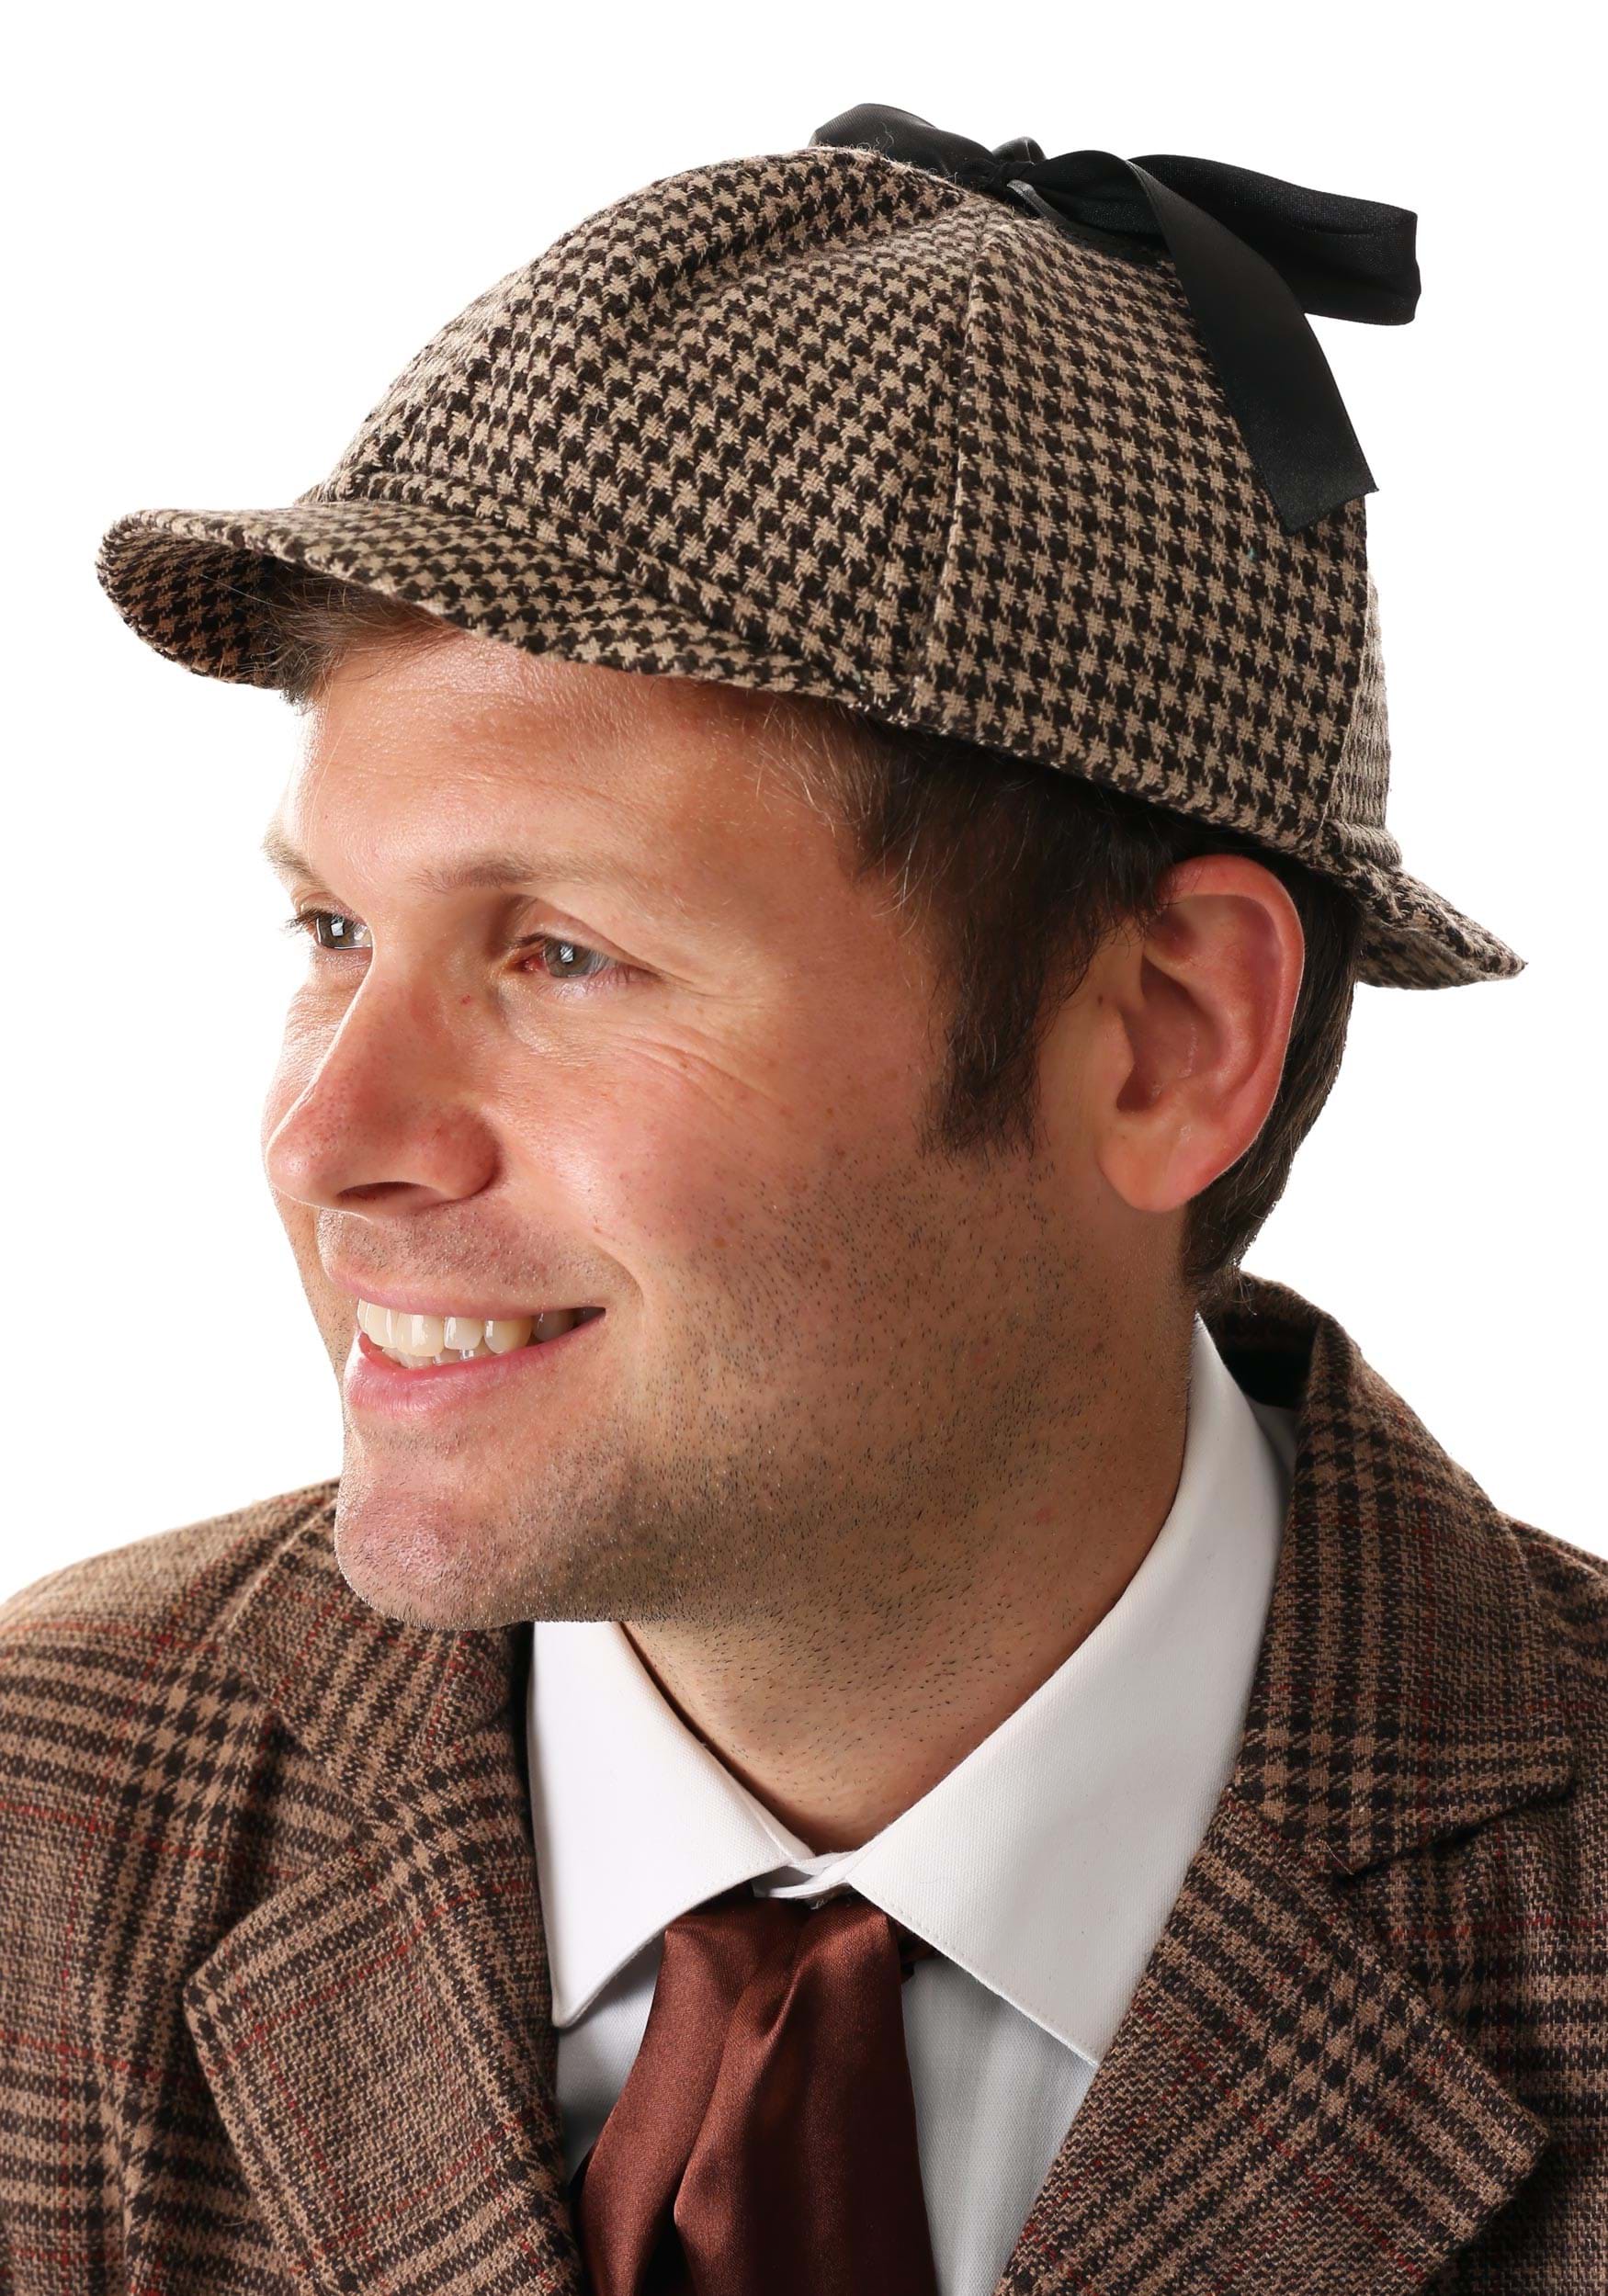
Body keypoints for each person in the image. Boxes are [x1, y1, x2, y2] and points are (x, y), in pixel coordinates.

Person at [2, 105, 1602, 2296]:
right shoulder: (45, 1825)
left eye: (563, 954)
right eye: (333, 932)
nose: (330, 1133)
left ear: (1161, 1035)